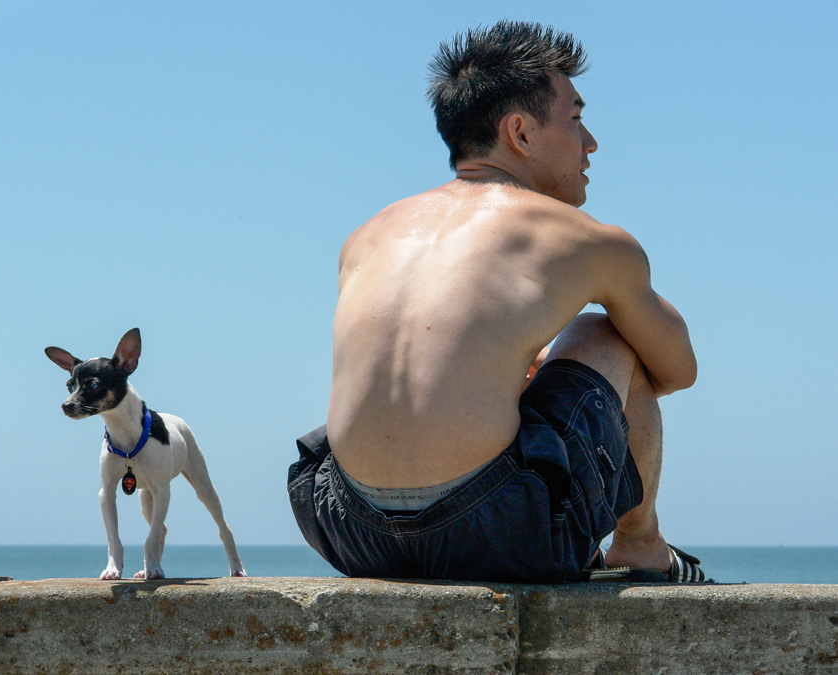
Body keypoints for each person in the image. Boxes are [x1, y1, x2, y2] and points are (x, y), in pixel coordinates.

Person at [288, 20, 704, 583]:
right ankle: (641, 543)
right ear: (520, 133)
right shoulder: (584, 238)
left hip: (346, 529)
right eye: (576, 118)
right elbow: (677, 370)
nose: (591, 142)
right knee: (604, 331)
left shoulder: (369, 234)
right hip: (496, 532)